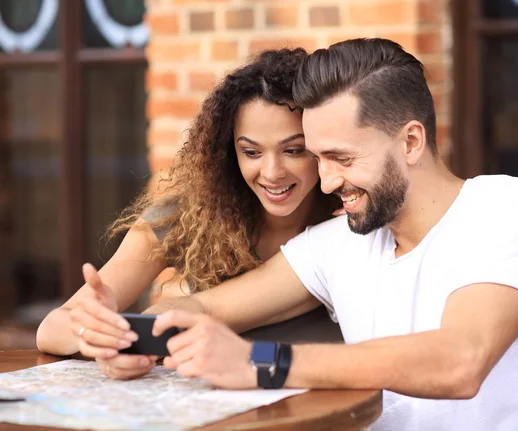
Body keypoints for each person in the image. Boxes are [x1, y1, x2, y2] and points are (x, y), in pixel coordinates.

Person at [48, 38, 518, 430]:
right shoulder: (338, 245)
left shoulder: (504, 207)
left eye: (340, 158)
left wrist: (263, 362)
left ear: (410, 142)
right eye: (319, 156)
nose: (326, 181)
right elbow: (203, 314)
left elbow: (459, 360)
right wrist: (127, 340)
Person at [35, 48, 343, 373]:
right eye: (251, 152)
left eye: (293, 150)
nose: (271, 172)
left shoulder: (349, 220)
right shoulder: (189, 214)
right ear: (228, 151)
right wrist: (102, 337)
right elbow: (52, 328)